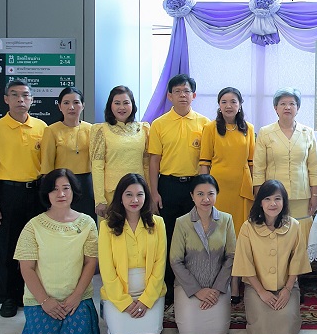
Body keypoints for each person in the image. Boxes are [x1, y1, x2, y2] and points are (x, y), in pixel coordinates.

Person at [0, 80, 48, 317]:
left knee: (36, 246)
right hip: (7, 192)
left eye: (25, 95)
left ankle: (32, 293)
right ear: (6, 99)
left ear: (32, 99)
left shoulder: (41, 127)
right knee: (6, 245)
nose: (20, 99)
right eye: (15, 95)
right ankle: (7, 297)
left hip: (36, 193)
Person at [14, 169, 100, 334]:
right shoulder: (33, 226)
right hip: (42, 299)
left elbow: (90, 263)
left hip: (76, 298)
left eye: (66, 188)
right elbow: (27, 268)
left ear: (73, 191)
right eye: (54, 189)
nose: (61, 194)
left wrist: (76, 295)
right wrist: (45, 301)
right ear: (46, 193)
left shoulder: (87, 223)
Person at [148, 74, 211, 305]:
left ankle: (193, 287)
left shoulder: (205, 124)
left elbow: (207, 160)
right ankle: (168, 289)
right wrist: (154, 192)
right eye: (177, 91)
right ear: (169, 96)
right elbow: (154, 161)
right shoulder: (159, 124)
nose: (182, 95)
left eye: (186, 91)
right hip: (169, 185)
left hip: (196, 188)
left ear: (194, 95)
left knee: (195, 238)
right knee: (169, 238)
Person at [231, 180, 312, 334]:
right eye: (267, 199)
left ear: (284, 201)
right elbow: (245, 263)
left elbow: (297, 261)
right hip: (256, 287)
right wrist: (262, 292)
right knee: (262, 332)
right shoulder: (248, 227)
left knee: (287, 329)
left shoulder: (294, 226)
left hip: (286, 286)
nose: (272, 204)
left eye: (277, 199)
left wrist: (287, 289)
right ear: (260, 202)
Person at [98, 174, 167, 334]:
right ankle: (108, 311)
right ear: (120, 197)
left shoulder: (158, 223)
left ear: (146, 196)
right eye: (129, 195)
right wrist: (125, 302)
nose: (134, 200)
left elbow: (160, 265)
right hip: (119, 293)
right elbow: (106, 269)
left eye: (139, 194)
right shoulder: (107, 226)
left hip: (150, 292)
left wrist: (146, 300)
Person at [199, 87, 255, 303]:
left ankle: (236, 285)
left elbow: (252, 163)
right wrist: (204, 193)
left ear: (240, 105)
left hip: (242, 191)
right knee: (218, 238)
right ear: (219, 105)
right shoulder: (210, 128)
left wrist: (256, 190)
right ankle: (216, 282)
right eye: (224, 101)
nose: (228, 106)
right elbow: (204, 163)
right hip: (218, 191)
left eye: (233, 101)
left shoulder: (248, 129)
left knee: (239, 239)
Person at [170, 174, 236, 334]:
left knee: (219, 332)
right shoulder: (182, 223)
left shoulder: (226, 220)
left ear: (217, 194)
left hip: (218, 287)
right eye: (200, 194)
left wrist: (217, 289)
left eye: (210, 194)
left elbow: (231, 256)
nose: (206, 199)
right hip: (188, 287)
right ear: (192, 196)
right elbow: (175, 260)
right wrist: (197, 290)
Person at [252, 88, 317, 242]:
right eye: (283, 104)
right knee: (276, 234)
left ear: (298, 108)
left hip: (301, 195)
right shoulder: (265, 132)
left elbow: (314, 167)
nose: (287, 107)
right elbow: (259, 167)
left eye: (292, 104)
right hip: (273, 197)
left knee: (301, 238)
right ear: (275, 108)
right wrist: (259, 196)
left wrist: (315, 195)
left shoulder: (308, 133)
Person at [90, 85, 150, 217]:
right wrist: (99, 199)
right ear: (110, 105)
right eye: (117, 103)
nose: (121, 107)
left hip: (138, 195)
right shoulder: (101, 130)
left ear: (132, 105)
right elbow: (97, 166)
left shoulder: (143, 129)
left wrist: (149, 193)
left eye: (126, 103)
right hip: (111, 194)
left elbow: (146, 165)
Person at [40, 87, 95, 219]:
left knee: (86, 221)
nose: (71, 107)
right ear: (60, 106)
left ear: (83, 106)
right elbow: (47, 166)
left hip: (87, 183)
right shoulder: (51, 130)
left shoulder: (91, 129)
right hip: (61, 184)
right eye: (66, 103)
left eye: (76, 102)